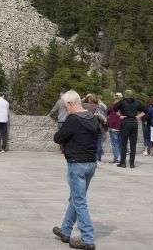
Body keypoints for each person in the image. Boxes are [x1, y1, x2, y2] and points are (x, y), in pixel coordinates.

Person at [52, 90, 100, 250]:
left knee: (79, 201)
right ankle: (66, 230)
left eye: (66, 106)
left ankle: (87, 238)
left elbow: (58, 137)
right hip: (91, 163)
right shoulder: (93, 117)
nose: (66, 109)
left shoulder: (73, 119)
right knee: (76, 197)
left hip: (77, 163)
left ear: (72, 103)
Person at [114, 89, 145, 168]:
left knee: (124, 144)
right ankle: (132, 163)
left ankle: (123, 163)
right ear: (132, 95)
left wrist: (120, 115)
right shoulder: (137, 102)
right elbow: (145, 110)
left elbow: (114, 108)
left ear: (125, 95)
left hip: (125, 122)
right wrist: (138, 116)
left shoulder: (122, 102)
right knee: (133, 144)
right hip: (134, 123)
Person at [106, 93, 122, 163]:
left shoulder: (111, 106)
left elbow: (106, 113)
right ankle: (121, 158)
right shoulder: (123, 106)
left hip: (113, 127)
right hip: (121, 126)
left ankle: (116, 158)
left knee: (115, 143)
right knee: (120, 143)